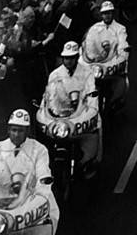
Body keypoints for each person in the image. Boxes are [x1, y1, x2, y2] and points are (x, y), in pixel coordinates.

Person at [0, 109, 59, 232]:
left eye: (21, 131)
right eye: (14, 130)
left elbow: (43, 175)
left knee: (45, 221)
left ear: (27, 131)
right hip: (2, 199)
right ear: (8, 130)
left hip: (30, 196)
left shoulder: (39, 149)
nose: (16, 134)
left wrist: (40, 197)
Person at [37, 41, 100, 178]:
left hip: (80, 113)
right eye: (66, 58)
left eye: (71, 58)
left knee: (97, 129)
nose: (68, 61)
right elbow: (48, 96)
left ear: (77, 58)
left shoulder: (87, 72)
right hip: (60, 117)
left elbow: (91, 93)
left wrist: (92, 109)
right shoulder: (54, 75)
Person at [81, 0, 129, 110]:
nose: (107, 15)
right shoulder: (95, 28)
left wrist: (122, 54)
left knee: (115, 86)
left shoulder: (120, 28)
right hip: (97, 64)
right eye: (104, 13)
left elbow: (122, 45)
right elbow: (88, 43)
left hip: (112, 64)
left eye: (109, 13)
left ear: (112, 13)